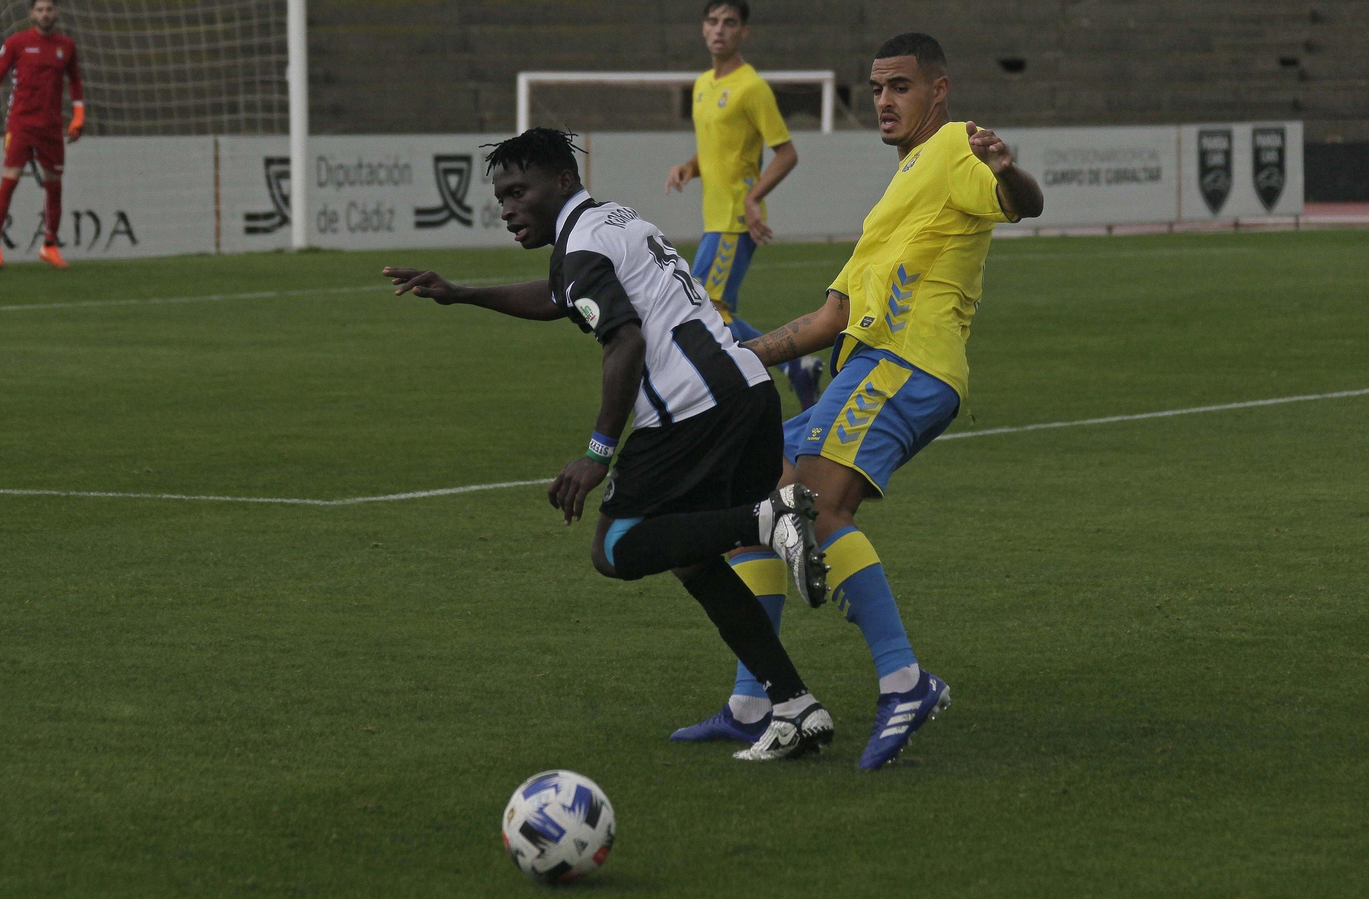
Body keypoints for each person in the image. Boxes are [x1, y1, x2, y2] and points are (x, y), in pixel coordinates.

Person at [383, 128, 834, 761]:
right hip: (747, 394)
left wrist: (596, 456)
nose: (507, 208)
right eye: (500, 197)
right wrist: (462, 293)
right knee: (691, 557)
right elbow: (560, 297)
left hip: (689, 411)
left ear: (561, 182)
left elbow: (623, 340)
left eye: (518, 191)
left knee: (617, 547)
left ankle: (770, 517)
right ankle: (793, 706)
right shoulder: (611, 223)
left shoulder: (583, 246)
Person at [689, 33, 1046, 770]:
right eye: (877, 88)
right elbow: (825, 323)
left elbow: (1022, 203)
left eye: (900, 87)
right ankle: (755, 698)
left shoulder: (954, 147)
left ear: (938, 91)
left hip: (908, 365)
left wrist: (1008, 171)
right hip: (865, 365)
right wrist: (728, 358)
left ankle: (904, 680)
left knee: (814, 505)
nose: (884, 101)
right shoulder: (893, 197)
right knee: (754, 492)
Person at [665, 0, 822, 410]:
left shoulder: (752, 88)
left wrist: (753, 197)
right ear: (703, 28)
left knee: (705, 307)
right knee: (709, 308)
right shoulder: (702, 85)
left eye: (729, 23)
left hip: (736, 218)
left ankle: (777, 369)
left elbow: (786, 153)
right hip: (715, 218)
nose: (719, 29)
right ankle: (794, 365)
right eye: (713, 21)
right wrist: (688, 167)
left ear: (743, 33)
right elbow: (714, 150)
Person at [0, 0, 85, 270]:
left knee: (54, 186)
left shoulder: (67, 46)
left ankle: (49, 246)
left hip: (50, 126)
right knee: (10, 180)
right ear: (30, 14)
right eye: (39, 10)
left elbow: (75, 81)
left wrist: (79, 115)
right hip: (21, 124)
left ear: (56, 12)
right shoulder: (17, 43)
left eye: (49, 9)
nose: (45, 14)